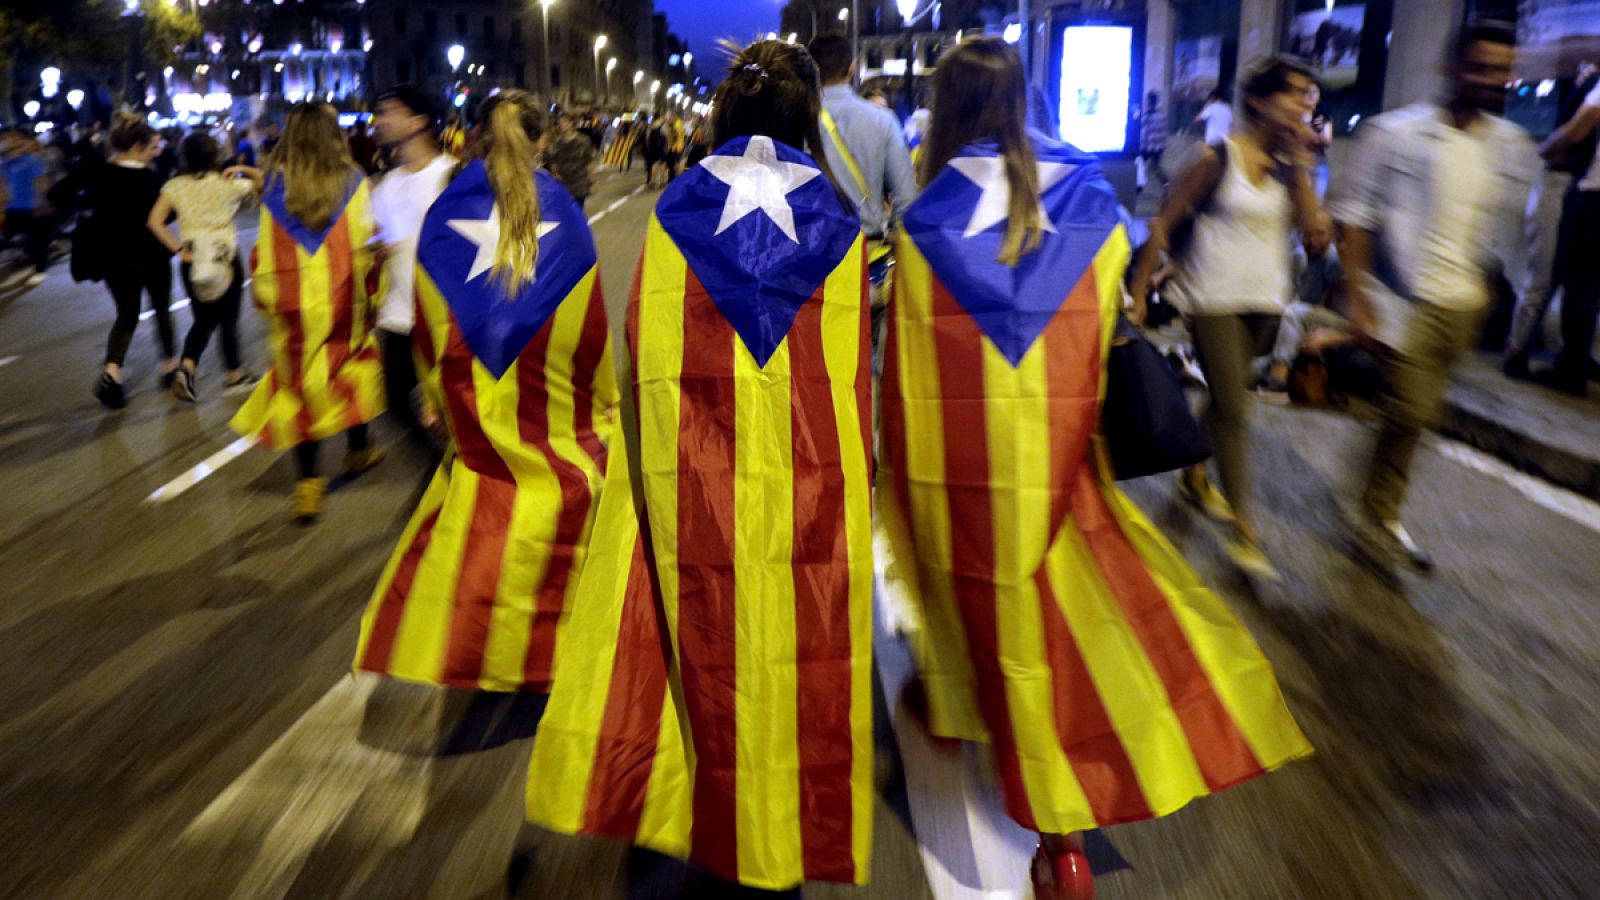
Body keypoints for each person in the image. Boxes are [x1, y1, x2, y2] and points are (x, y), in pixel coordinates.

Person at [879, 37, 1311, 900]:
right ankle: (1062, 838)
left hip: (959, 468)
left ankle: (990, 736)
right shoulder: (1084, 199)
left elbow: (909, 375)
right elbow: (1100, 332)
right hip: (1056, 457)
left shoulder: (923, 220)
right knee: (1059, 612)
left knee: (977, 595)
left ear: (947, 111)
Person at [526, 38, 874, 892]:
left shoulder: (678, 207)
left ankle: (700, 812)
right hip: (806, 485)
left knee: (700, 651)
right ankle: (775, 835)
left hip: (695, 481)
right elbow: (852, 372)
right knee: (795, 658)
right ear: (807, 118)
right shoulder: (838, 218)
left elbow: (648, 352)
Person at [355, 89, 617, 691]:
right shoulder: (564, 211)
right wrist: (600, 397)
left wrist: (432, 394)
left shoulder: (449, 208)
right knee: (556, 495)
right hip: (546, 384)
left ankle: (477, 637)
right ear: (542, 138)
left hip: (473, 380)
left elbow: (426, 316)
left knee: (488, 499)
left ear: (470, 134)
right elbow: (590, 321)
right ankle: (556, 639)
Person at [1330, 21, 1539, 572]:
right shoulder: (1396, 133)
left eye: (1501, 69)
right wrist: (1360, 298)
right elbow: (1352, 218)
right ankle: (1379, 515)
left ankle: (1372, 498)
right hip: (1409, 299)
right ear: (1452, 68)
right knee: (1412, 413)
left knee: (1409, 416)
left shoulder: (1509, 145)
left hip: (1463, 304)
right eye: (1481, 67)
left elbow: (1499, 225)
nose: (1493, 79)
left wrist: (1488, 287)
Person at [1129, 56, 1323, 579]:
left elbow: (1315, 233)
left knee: (1224, 396)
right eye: (1292, 94)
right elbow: (1163, 222)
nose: (1302, 105)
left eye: (1308, 95)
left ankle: (1194, 472)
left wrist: (1303, 163)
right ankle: (1244, 527)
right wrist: (1139, 292)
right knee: (1235, 411)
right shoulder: (1217, 158)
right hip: (1212, 298)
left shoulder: (1289, 170)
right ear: (1258, 100)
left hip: (1268, 304)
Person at [230, 103, 386, 523]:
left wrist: (268, 297)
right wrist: (374, 289)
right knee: (351, 372)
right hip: (342, 300)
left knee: (300, 387)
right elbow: (367, 241)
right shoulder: (354, 181)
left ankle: (308, 487)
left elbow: (264, 252)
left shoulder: (277, 189)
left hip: (295, 304)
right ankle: (358, 451)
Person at [48, 113, 177, 409]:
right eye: (152, 147)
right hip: (152, 253)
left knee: (126, 314)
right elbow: (169, 214)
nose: (156, 153)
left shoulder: (97, 172)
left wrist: (92, 207)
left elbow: (57, 193)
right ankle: (169, 367)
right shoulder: (152, 179)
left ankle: (112, 374)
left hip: (114, 258)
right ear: (136, 146)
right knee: (161, 309)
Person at [145, 132, 262, 402]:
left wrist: (178, 250)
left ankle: (187, 367)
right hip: (224, 256)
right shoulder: (227, 184)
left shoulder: (174, 186)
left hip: (192, 258)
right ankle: (234, 374)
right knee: (228, 319)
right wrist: (243, 168)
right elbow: (264, 184)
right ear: (214, 156)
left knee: (203, 318)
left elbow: (155, 221)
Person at [369, 84, 455, 436]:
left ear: (417, 121)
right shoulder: (386, 184)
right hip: (399, 317)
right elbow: (378, 241)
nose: (380, 121)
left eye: (389, 112)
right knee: (393, 402)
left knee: (455, 404)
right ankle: (445, 465)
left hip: (445, 317)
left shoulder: (451, 175)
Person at [1504, 61, 1598, 382]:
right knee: (1545, 276)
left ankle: (1574, 357)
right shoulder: (1592, 84)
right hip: (1560, 184)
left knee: (1575, 283)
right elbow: (1569, 137)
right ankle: (1516, 352)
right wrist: (1548, 151)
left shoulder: (1591, 82)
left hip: (1574, 189)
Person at [1534, 60, 1600, 396]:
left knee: (1580, 288)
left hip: (1594, 199)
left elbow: (1576, 129)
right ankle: (1586, 360)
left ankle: (1571, 373)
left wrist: (1543, 150)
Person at [1261, 212, 1348, 394]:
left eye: (1320, 234)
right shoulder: (1298, 258)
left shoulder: (1333, 261)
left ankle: (1278, 377)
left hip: (1329, 324)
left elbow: (1324, 307)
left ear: (1331, 235)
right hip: (1298, 325)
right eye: (1307, 234)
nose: (1312, 241)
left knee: (1295, 312)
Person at [2, 128, 55, 288]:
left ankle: (40, 270)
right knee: (12, 237)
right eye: (5, 138)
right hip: (13, 206)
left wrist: (44, 203)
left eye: (12, 138)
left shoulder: (31, 160)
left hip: (32, 205)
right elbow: (2, 185)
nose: (7, 141)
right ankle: (27, 261)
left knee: (37, 240)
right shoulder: (5, 164)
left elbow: (41, 182)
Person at [544, 114, 596, 208]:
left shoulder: (582, 141)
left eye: (564, 122)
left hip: (578, 184)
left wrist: (590, 183)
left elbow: (589, 162)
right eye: (560, 123)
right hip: (562, 185)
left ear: (571, 123)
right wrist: (555, 173)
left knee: (577, 213)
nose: (562, 125)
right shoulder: (556, 143)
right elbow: (553, 162)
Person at [1139, 91, 1169, 195]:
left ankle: (1138, 189)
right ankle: (1166, 184)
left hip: (1147, 147)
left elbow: (1143, 132)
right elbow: (1164, 132)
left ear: (1148, 102)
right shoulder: (1162, 116)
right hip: (1159, 147)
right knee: (1156, 168)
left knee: (1138, 165)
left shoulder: (1146, 116)